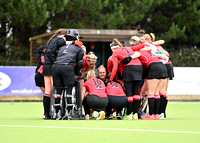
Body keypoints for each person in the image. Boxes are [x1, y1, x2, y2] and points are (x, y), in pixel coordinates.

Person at [42, 29, 83, 119]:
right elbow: (80, 63)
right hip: (67, 68)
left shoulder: (60, 46)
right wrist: (76, 73)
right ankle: (68, 113)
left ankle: (57, 113)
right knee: (68, 91)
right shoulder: (79, 48)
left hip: (55, 67)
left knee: (58, 91)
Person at [109, 39, 142, 120]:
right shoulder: (128, 48)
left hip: (129, 69)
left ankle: (129, 114)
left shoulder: (115, 53)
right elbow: (141, 46)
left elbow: (115, 68)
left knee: (129, 93)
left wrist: (110, 79)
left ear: (113, 48)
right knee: (136, 93)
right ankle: (135, 114)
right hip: (139, 67)